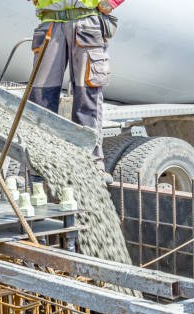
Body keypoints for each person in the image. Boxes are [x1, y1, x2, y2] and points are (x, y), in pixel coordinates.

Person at [30, 0, 124, 181]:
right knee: (41, 98)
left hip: (86, 22)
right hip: (50, 23)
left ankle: (91, 163)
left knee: (87, 96)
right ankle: (37, 164)